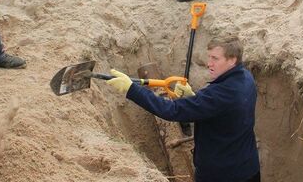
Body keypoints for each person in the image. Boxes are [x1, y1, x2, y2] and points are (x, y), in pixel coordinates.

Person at [107, 36, 260, 182]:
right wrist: (194, 97)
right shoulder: (246, 78)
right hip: (248, 168)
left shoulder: (220, 94)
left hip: (222, 175)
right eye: (209, 57)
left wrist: (132, 89)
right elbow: (222, 111)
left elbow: (172, 110)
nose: (209, 63)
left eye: (215, 58)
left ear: (232, 60)